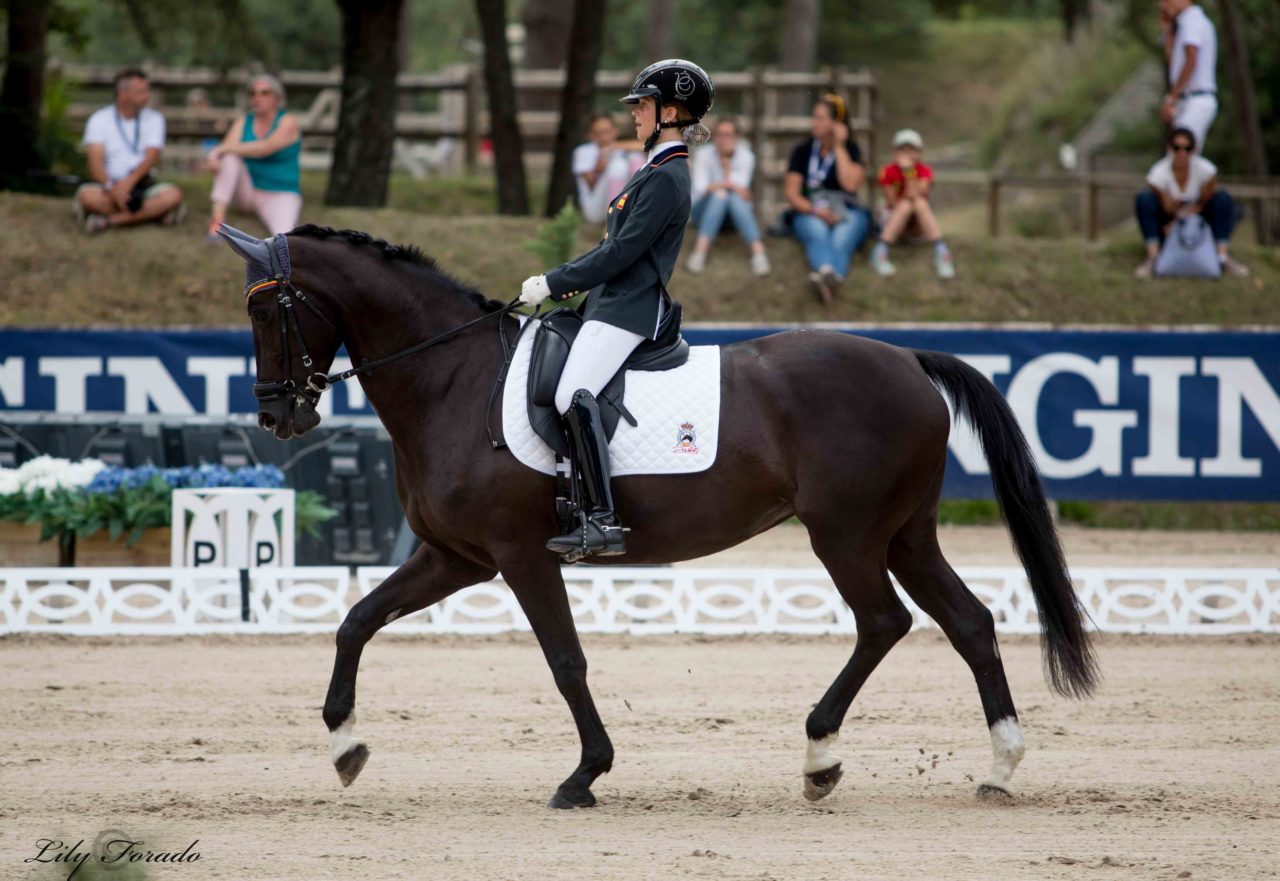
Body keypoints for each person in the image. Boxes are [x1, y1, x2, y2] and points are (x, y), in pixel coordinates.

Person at [518, 59, 714, 559]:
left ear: (670, 112)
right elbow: (609, 248)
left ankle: (601, 519)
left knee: (572, 394)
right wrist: (560, 285)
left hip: (630, 308)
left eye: (643, 106)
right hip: (610, 303)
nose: (635, 115)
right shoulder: (652, 170)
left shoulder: (669, 177)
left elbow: (620, 254)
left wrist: (553, 282)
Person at [74, 68, 184, 234]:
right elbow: (95, 165)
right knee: (88, 197)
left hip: (142, 184)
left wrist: (129, 182)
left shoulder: (154, 119)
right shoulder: (99, 120)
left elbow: (151, 157)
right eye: (141, 91)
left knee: (173, 195)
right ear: (123, 93)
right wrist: (113, 189)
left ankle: (109, 220)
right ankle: (153, 214)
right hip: (109, 185)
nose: (146, 96)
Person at [783, 94, 870, 303]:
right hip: (811, 209)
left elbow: (850, 185)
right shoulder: (802, 151)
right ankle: (829, 274)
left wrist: (839, 147)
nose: (815, 123)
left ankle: (827, 280)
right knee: (817, 231)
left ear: (836, 123)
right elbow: (792, 194)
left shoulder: (852, 151)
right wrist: (815, 210)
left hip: (846, 209)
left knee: (842, 237)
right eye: (814, 117)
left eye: (821, 118)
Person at [1134, 128, 1247, 278]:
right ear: (1169, 148)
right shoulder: (1158, 173)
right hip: (1168, 221)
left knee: (1222, 198)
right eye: (1177, 148)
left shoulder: (1205, 170)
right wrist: (1175, 219)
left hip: (1198, 221)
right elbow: (1167, 207)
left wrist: (1180, 219)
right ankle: (1153, 256)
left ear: (1194, 150)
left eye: (1187, 148)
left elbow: (1204, 201)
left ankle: (1222, 255)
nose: (1182, 153)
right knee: (1144, 199)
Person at [203, 74, 302, 239]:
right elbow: (226, 152)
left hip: (279, 194)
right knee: (230, 159)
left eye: (264, 93)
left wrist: (218, 150)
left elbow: (266, 147)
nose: (257, 97)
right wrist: (215, 158)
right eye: (253, 93)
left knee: (285, 237)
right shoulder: (244, 121)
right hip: (248, 192)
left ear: (277, 98)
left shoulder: (288, 121)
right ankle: (217, 221)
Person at [686, 117, 770, 277]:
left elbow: (742, 192)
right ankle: (757, 252)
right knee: (722, 195)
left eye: (729, 135)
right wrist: (728, 184)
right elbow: (700, 189)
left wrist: (726, 169)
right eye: (720, 134)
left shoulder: (746, 156)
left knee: (729, 195)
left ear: (736, 137)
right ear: (714, 136)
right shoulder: (704, 155)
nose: (724, 139)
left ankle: (701, 252)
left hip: (733, 215)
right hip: (701, 212)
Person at [869, 129, 955, 279]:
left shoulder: (925, 171)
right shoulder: (887, 172)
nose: (907, 154)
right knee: (906, 205)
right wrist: (907, 171)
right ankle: (880, 251)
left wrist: (909, 172)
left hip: (916, 225)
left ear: (919, 152)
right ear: (895, 152)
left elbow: (916, 194)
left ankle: (941, 252)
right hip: (894, 220)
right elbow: (894, 202)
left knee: (919, 203)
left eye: (912, 149)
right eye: (903, 149)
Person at [1159, 0, 1217, 153]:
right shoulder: (1184, 24)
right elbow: (1176, 65)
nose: (1163, 6)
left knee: (1181, 154)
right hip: (1185, 100)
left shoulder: (1192, 21)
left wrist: (1171, 97)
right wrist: (1168, 33)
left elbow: (1191, 60)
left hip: (1196, 99)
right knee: (1179, 156)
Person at [573, 113, 644, 226]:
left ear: (615, 131)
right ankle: (614, 222)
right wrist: (599, 169)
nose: (604, 137)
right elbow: (590, 183)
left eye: (608, 132)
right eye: (598, 133)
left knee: (636, 157)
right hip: (595, 207)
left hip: (622, 200)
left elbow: (647, 146)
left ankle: (639, 208)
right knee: (618, 166)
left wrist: (614, 146)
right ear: (590, 135)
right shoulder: (584, 151)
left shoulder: (619, 148)